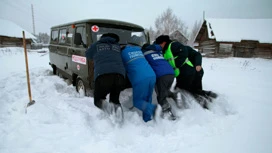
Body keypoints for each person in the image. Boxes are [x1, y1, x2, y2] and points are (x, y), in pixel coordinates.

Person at [155, 35, 216, 108]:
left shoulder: (174, 46)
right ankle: (207, 99)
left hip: (188, 72)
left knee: (180, 89)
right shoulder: (167, 51)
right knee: (194, 90)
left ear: (164, 43)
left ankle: (186, 107)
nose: (158, 46)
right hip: (189, 72)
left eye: (159, 44)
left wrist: (197, 64)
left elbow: (193, 54)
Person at [85, 33, 126, 115]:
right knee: (115, 100)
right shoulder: (117, 46)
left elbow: (87, 54)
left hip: (103, 75)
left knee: (98, 100)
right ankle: (118, 115)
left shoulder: (96, 45)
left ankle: (108, 107)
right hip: (120, 76)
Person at [121, 43, 157, 122]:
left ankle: (154, 109)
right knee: (148, 98)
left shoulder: (122, 53)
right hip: (152, 75)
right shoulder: (138, 50)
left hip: (140, 78)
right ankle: (147, 119)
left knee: (137, 101)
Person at [141, 43, 177, 120]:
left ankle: (169, 114)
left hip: (161, 76)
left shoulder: (144, 53)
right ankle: (175, 95)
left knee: (161, 96)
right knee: (165, 91)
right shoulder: (157, 52)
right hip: (171, 73)